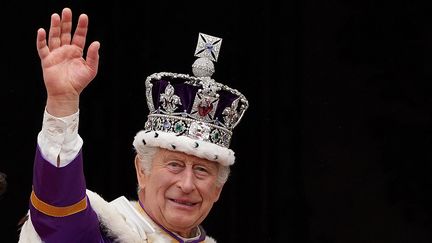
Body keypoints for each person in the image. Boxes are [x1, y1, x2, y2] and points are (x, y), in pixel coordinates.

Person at [18, 7, 248, 243]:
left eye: (202, 170)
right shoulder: (100, 231)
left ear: (218, 189)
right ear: (142, 170)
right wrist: (62, 103)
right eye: (175, 165)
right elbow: (59, 214)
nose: (187, 184)